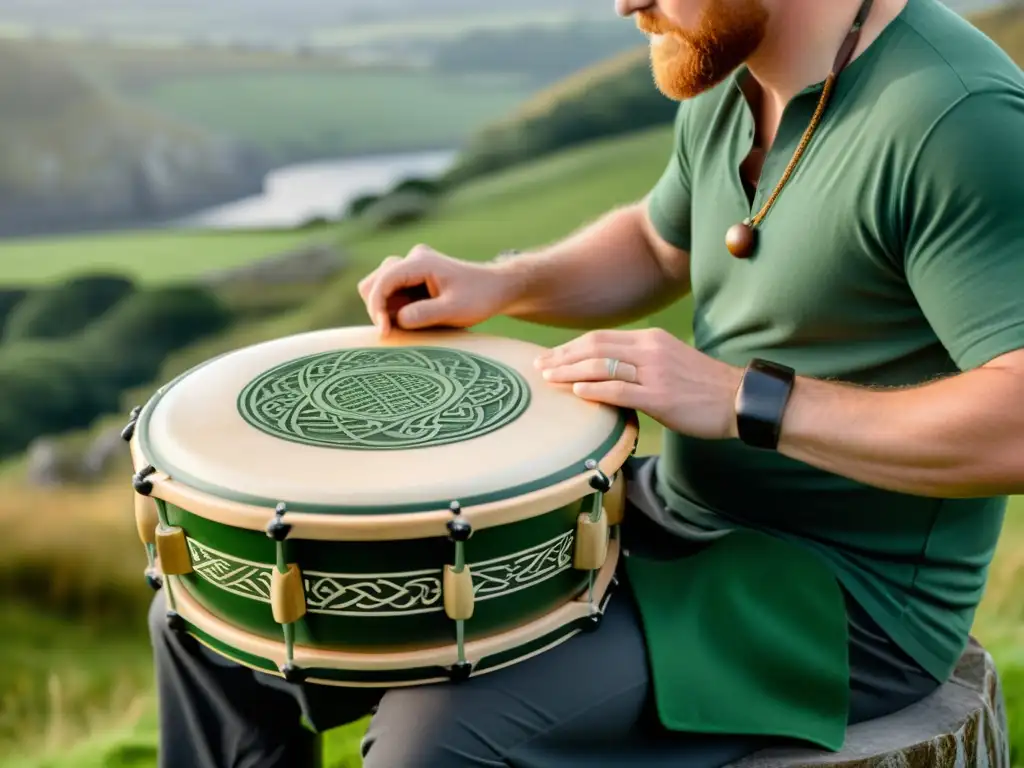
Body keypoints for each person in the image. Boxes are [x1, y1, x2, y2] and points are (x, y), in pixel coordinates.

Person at [148, 0, 1024, 765]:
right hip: (662, 512)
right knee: (217, 621)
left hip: (842, 604)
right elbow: (657, 243)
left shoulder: (956, 120)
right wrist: (505, 282)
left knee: (435, 739)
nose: (623, 4)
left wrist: (734, 398)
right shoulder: (736, 72)